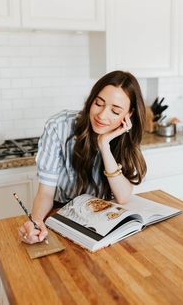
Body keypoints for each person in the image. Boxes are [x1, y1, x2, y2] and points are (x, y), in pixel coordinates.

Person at [19, 70, 147, 244]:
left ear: (129, 114)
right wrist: (37, 222)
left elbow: (123, 196)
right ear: (91, 99)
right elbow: (46, 192)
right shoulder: (59, 126)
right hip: (61, 213)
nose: (102, 115)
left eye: (115, 111)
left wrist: (104, 145)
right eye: (98, 103)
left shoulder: (126, 136)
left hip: (102, 218)